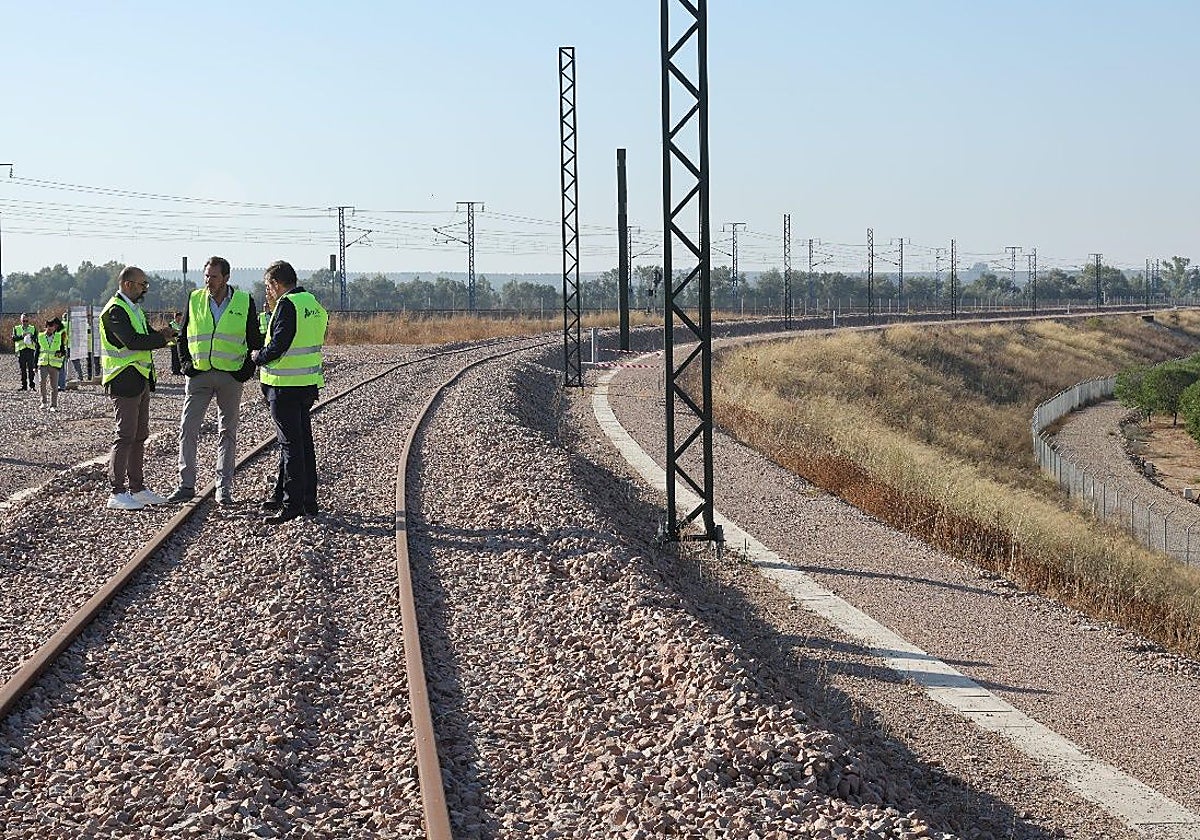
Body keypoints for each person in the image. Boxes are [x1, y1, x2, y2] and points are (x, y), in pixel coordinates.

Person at [167, 257, 262, 506]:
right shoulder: (195, 298)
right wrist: (186, 365)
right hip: (198, 375)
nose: (209, 281)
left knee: (227, 432)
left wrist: (245, 371)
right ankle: (186, 484)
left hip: (230, 376)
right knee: (188, 429)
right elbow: (182, 335)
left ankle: (223, 488)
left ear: (227, 278)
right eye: (206, 276)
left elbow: (254, 340)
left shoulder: (244, 301)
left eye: (214, 276)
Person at [252, 260, 327, 524]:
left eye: (268, 287)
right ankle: (305, 500)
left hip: (284, 386)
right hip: (307, 384)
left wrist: (257, 356)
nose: (268, 293)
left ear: (275, 283)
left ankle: (291, 504)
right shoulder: (313, 304)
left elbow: (279, 346)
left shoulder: (287, 305)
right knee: (302, 443)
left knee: (290, 445)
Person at [99, 266, 178, 511]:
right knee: (125, 435)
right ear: (127, 284)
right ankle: (117, 491)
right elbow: (132, 341)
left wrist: (167, 335)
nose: (145, 288)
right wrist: (162, 337)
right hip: (123, 379)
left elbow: (146, 336)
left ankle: (137, 488)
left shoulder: (134, 309)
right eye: (142, 284)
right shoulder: (114, 311)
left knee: (139, 435)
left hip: (140, 378)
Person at [37, 317, 66, 411]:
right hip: (43, 363)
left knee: (54, 386)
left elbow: (63, 351)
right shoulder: (40, 336)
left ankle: (53, 405)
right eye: (48, 328)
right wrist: (34, 365)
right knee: (42, 383)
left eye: (52, 328)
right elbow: (37, 351)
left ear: (54, 327)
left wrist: (60, 353)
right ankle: (44, 402)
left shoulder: (59, 336)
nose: (50, 330)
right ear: (46, 327)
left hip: (54, 364)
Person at [12, 313, 37, 390]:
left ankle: (32, 386)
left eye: (26, 321)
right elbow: (13, 338)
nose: (25, 322)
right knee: (22, 369)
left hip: (30, 350)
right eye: (23, 321)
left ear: (28, 320)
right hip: (21, 351)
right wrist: (21, 336)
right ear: (21, 320)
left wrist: (31, 336)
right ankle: (24, 386)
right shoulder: (16, 328)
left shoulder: (33, 328)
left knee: (31, 369)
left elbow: (36, 338)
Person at [58, 311, 71, 391]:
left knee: (60, 367)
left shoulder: (61, 326)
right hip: (68, 345)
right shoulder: (70, 324)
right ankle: (63, 384)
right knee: (65, 366)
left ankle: (60, 384)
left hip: (61, 347)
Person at [168, 310, 183, 375]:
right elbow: (171, 333)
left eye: (180, 318)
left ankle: (178, 370)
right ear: (176, 317)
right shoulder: (171, 324)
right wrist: (178, 332)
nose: (180, 319)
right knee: (174, 357)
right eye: (179, 318)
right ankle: (174, 370)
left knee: (179, 357)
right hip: (173, 343)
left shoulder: (181, 324)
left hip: (179, 343)